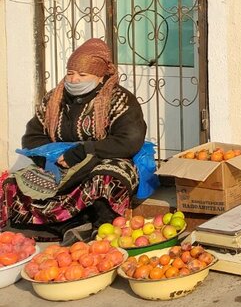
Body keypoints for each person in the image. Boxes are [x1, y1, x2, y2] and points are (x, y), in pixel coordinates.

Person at [0, 38, 147, 240]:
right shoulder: (54, 99)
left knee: (107, 178)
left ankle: (99, 228)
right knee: (13, 181)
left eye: (82, 75)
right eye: (70, 73)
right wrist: (51, 157)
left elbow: (129, 140)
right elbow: (32, 136)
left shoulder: (120, 100)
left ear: (100, 77)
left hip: (102, 159)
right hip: (58, 165)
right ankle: (51, 227)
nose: (74, 79)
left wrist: (84, 152)